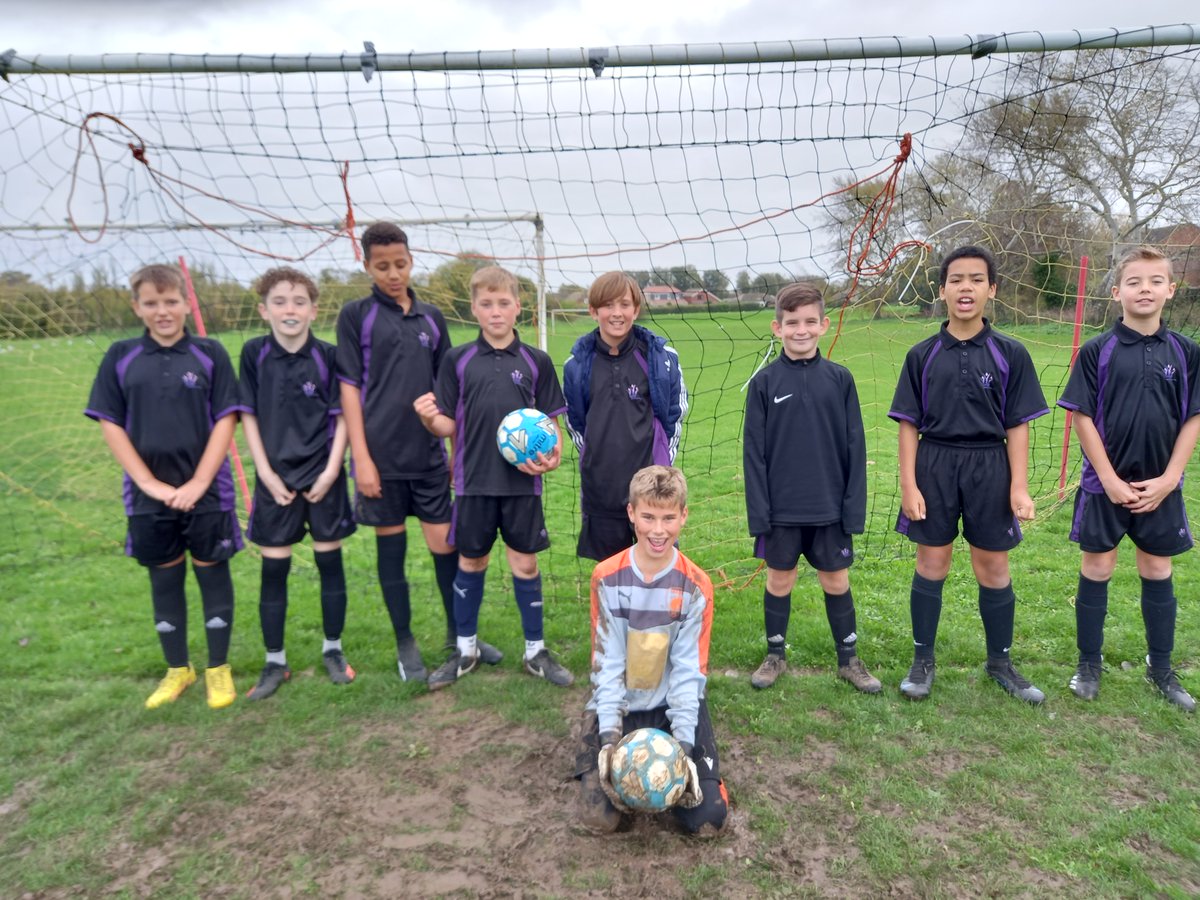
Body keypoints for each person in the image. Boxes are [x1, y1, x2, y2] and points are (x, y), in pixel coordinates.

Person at [336, 223, 499, 682]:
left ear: (411, 261)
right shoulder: (356, 316)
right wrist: (361, 459)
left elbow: (450, 390)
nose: (393, 274)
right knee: (392, 551)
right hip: (380, 460)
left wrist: (454, 453)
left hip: (428, 457)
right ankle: (405, 642)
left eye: (400, 264)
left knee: (446, 546)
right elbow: (349, 389)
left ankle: (459, 637)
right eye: (382, 266)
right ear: (367, 266)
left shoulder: (431, 317)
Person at [889, 245, 1050, 703]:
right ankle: (922, 662)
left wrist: (1019, 486)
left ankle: (1000, 662)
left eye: (977, 279)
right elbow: (908, 424)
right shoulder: (921, 355)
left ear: (991, 289)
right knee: (931, 562)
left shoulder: (1010, 352)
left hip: (989, 465)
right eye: (956, 279)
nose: (966, 287)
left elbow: (1017, 425)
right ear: (942, 290)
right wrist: (909, 485)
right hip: (935, 464)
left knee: (993, 565)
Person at [84, 263, 241, 710]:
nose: (163, 311)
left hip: (208, 493)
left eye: (171, 301)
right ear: (137, 307)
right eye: (151, 303)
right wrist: (148, 481)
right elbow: (110, 422)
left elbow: (226, 418)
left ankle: (218, 669)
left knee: (213, 575)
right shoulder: (121, 356)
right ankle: (178, 669)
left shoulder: (210, 352)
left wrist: (199, 481)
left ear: (186, 304)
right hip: (148, 497)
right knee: (165, 579)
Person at [414, 265, 574, 689]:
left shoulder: (536, 360)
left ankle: (535, 651)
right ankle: (465, 649)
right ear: (474, 308)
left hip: (522, 483)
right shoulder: (458, 360)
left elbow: (550, 422)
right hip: (473, 483)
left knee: (525, 563)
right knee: (472, 561)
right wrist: (429, 419)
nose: (496, 311)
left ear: (518, 307)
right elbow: (447, 424)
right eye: (487, 304)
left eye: (504, 303)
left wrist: (553, 454)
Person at [1058, 246, 1200, 711]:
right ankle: (1088, 665)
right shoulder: (1097, 350)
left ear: (1170, 290)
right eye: (1134, 282)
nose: (1145, 289)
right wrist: (1109, 478)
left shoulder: (1187, 352)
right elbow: (1081, 417)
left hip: (1161, 486)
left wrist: (1170, 478)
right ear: (1117, 292)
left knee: (1157, 569)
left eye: (1155, 281)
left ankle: (1161, 669)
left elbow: (1193, 418)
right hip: (1105, 486)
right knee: (1097, 568)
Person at [575, 465, 727, 835]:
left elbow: (689, 672)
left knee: (706, 820)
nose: (658, 531)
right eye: (648, 517)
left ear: (683, 516)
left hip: (670, 705)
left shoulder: (696, 586)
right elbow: (607, 664)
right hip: (623, 703)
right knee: (600, 818)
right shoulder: (606, 578)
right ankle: (595, 752)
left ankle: (709, 778)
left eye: (668, 518)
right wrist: (609, 738)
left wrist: (684, 747)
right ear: (631, 513)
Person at [743, 282, 880, 693]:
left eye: (808, 322)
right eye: (791, 323)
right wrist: (760, 515)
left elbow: (856, 447)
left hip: (829, 509)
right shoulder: (764, 383)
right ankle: (775, 656)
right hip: (781, 511)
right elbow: (753, 455)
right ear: (777, 328)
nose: (800, 330)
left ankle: (849, 660)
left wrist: (852, 509)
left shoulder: (840, 379)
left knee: (836, 581)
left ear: (824, 325)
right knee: (779, 581)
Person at [237, 267, 357, 700]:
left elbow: (343, 416)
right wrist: (266, 474)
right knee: (274, 570)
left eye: (299, 302)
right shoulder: (253, 353)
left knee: (330, 564)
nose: (290, 309)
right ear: (263, 310)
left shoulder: (328, 355)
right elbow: (247, 414)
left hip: (324, 477)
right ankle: (275, 661)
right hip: (276, 481)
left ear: (313, 310)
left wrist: (331, 470)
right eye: (280, 302)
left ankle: (333, 650)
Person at [562, 272, 687, 561]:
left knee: (659, 565)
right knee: (610, 570)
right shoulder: (576, 365)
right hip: (602, 488)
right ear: (593, 311)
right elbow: (576, 422)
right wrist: (595, 458)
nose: (616, 313)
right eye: (608, 305)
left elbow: (674, 414)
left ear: (636, 309)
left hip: (653, 487)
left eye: (624, 304)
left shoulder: (661, 358)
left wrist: (661, 468)